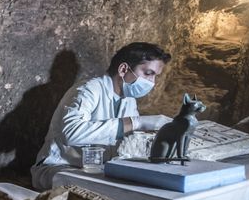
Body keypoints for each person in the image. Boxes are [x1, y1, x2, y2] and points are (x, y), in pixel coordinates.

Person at [31, 42, 173, 190]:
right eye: (148, 74)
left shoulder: (129, 100)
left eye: (155, 76)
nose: (152, 82)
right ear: (123, 69)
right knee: (105, 191)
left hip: (98, 169)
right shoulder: (89, 89)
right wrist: (136, 123)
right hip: (59, 167)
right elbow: (71, 133)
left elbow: (129, 138)